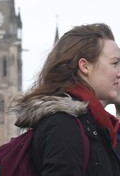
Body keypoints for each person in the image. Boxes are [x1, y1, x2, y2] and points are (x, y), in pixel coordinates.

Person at [10, 23, 120, 175]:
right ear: (85, 66)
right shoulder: (64, 125)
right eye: (115, 63)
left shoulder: (97, 126)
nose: (119, 72)